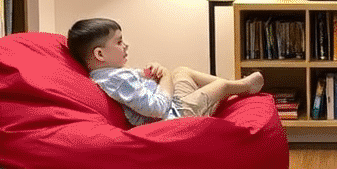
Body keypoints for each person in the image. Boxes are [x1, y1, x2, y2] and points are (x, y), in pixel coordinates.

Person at [66, 17, 264, 125]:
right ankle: (240, 87)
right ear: (100, 54)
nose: (125, 45)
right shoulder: (116, 80)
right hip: (174, 116)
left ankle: (230, 90)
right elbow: (157, 108)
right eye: (119, 42)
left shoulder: (109, 75)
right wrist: (165, 76)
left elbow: (138, 90)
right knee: (214, 84)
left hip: (173, 108)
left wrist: (150, 74)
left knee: (182, 70)